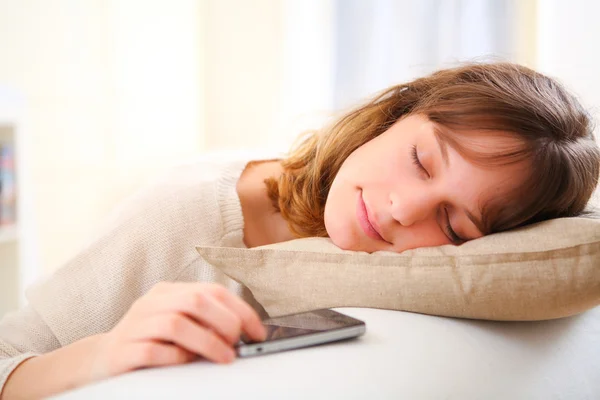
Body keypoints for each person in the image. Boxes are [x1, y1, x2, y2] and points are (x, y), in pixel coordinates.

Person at [1, 62, 599, 399]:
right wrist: (107, 352)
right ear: (394, 116)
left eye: (451, 221)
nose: (401, 209)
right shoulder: (190, 216)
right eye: (421, 160)